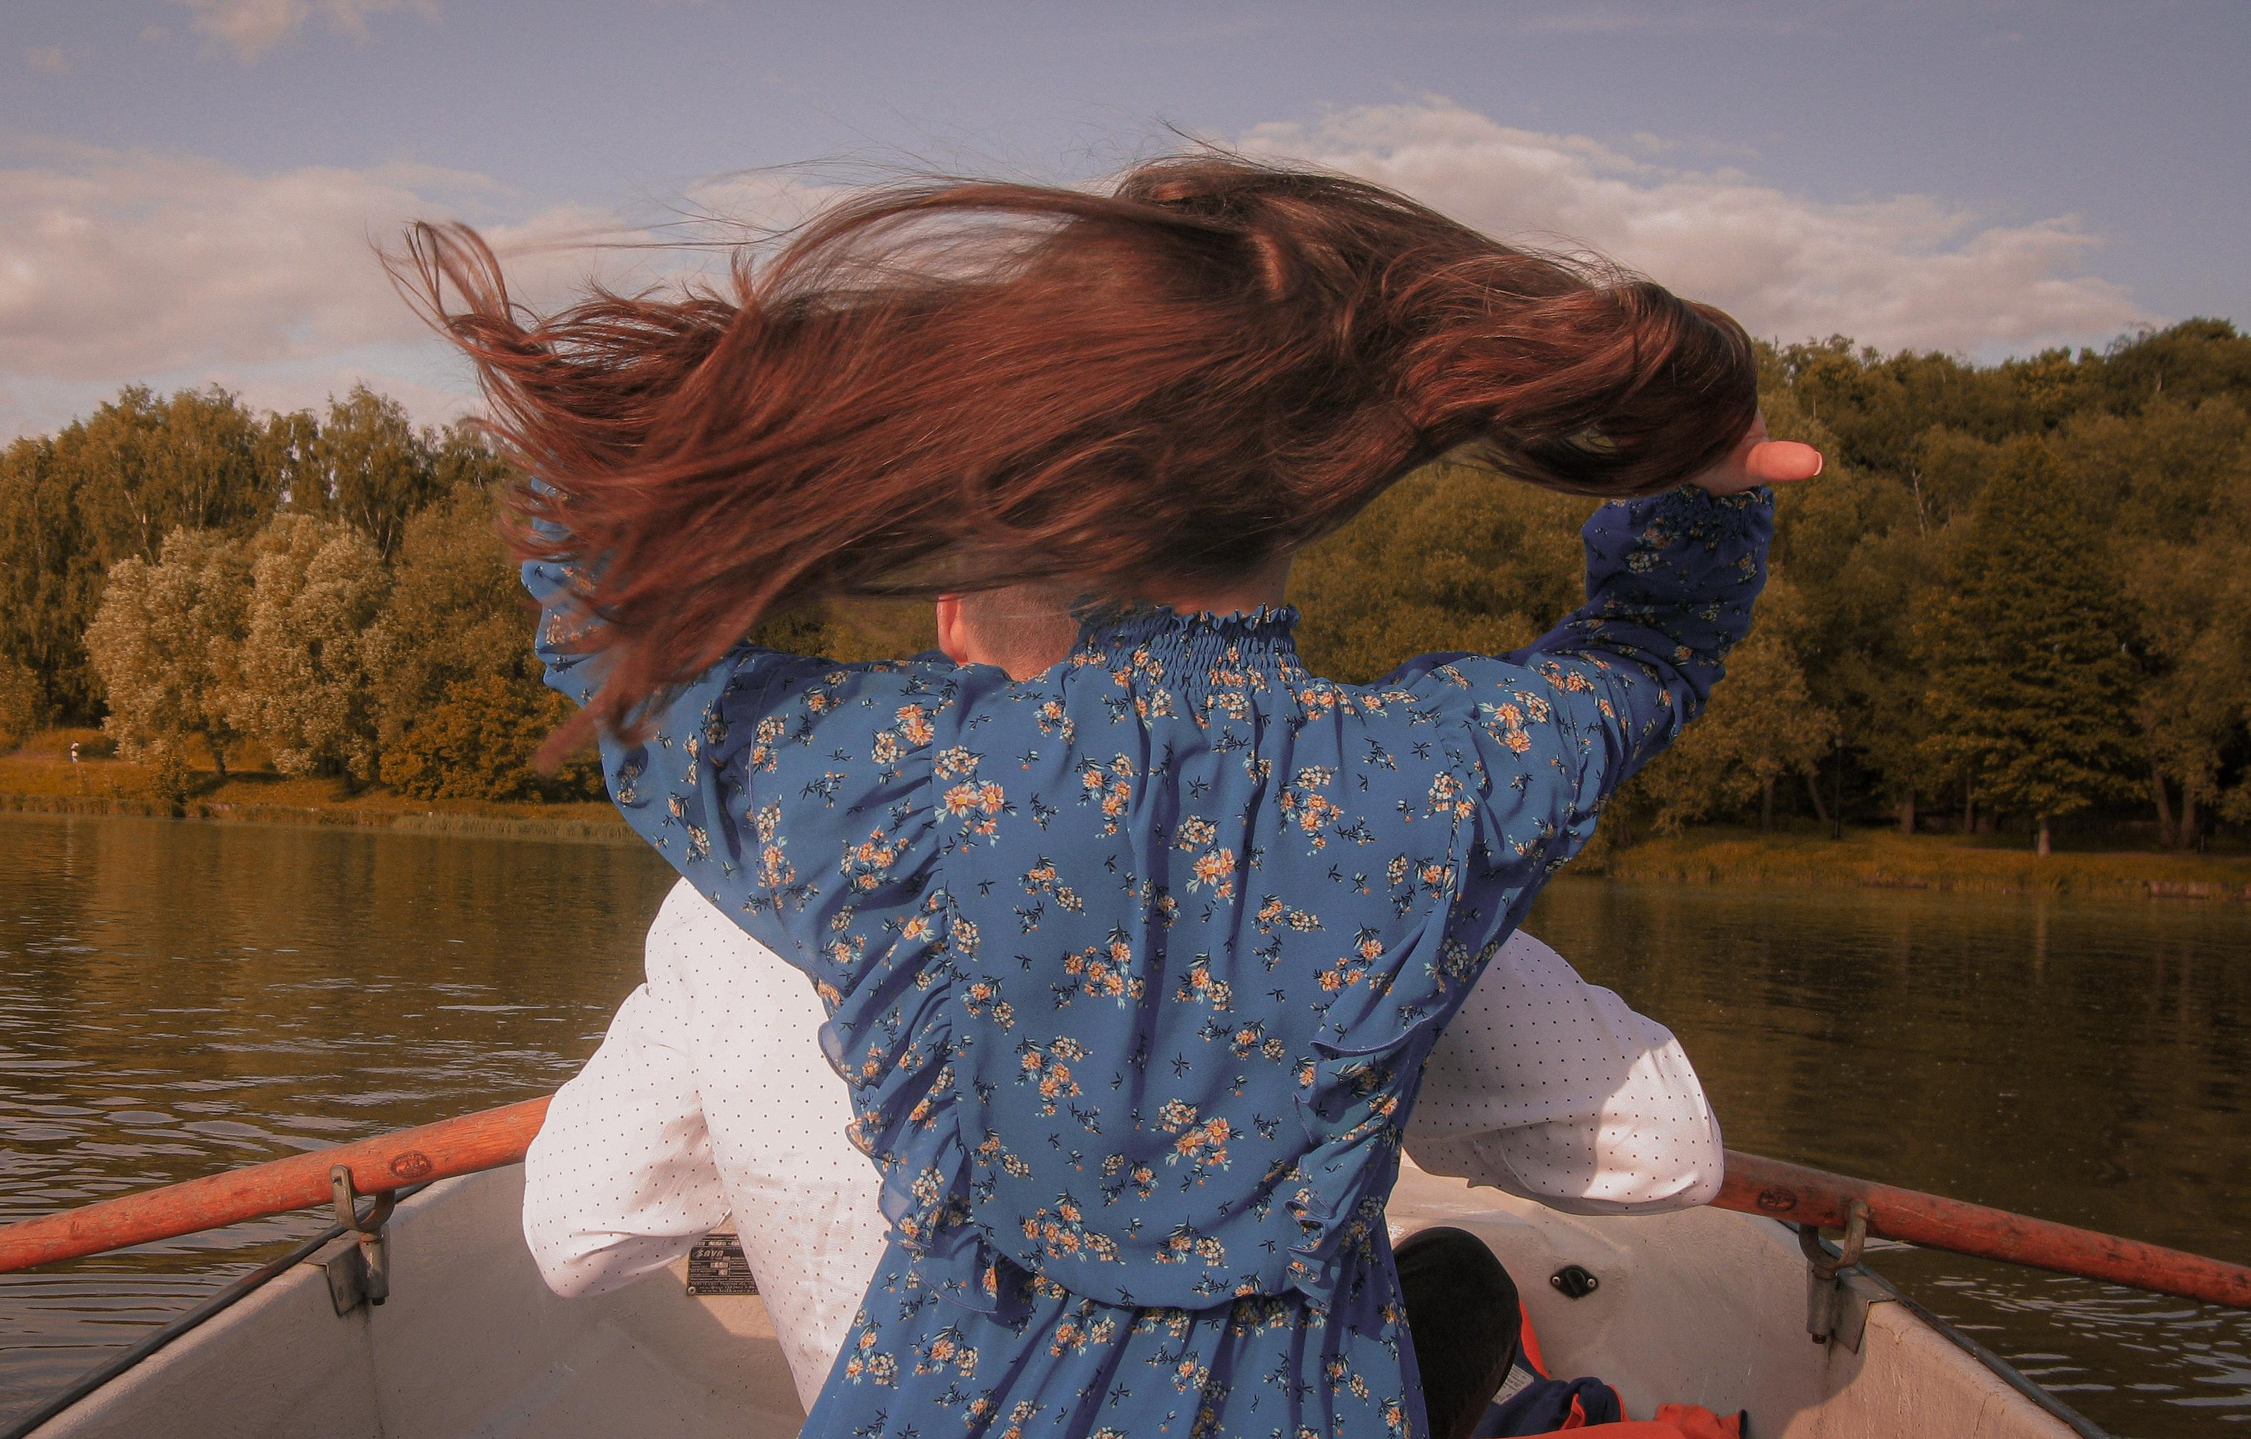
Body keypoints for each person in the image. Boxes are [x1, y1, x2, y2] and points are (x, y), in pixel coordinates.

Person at [407, 152, 1822, 1439]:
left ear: (1063, 463)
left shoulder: (898, 785)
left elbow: (602, 623)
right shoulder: (1439, 778)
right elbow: (1652, 646)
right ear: (1311, 477)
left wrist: (798, 411)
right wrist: (1706, 476)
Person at [527, 879, 1723, 1411]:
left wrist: (757, 1128)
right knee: (1461, 1278)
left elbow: (574, 1231)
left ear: (950, 616)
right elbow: (1666, 1145)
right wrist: (1412, 1080)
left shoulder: (739, 894)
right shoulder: (1360, 842)